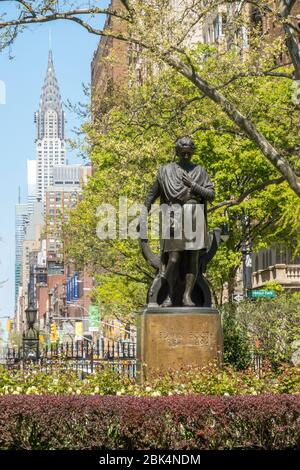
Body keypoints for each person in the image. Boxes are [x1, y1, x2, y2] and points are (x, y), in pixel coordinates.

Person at [143, 136, 214, 307]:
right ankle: (168, 293)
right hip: (174, 217)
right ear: (177, 152)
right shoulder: (165, 171)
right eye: (183, 154)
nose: (186, 157)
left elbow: (211, 195)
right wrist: (143, 214)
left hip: (194, 216)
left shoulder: (200, 171)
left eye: (189, 154)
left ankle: (187, 296)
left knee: (192, 259)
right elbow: (152, 195)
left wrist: (194, 185)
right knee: (173, 259)